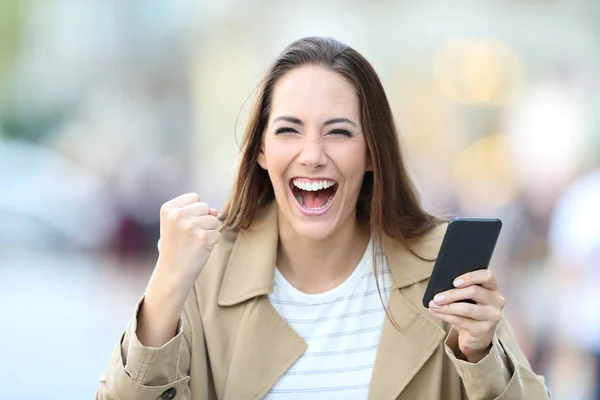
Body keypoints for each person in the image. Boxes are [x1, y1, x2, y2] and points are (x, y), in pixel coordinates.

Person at [96, 37, 550, 400]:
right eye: (289, 130)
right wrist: (164, 288)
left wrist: (480, 353)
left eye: (338, 132)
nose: (312, 156)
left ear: (373, 152)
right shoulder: (205, 273)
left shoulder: (441, 268)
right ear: (260, 150)